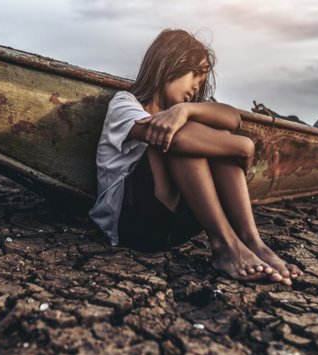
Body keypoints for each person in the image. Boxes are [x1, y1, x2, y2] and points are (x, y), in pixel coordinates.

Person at [89, 29, 302, 284]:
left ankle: (252, 241)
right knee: (183, 138)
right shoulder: (124, 104)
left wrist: (186, 109)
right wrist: (243, 146)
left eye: (201, 81)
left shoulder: (184, 109)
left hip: (178, 225)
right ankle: (225, 245)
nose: (196, 86)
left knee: (213, 130)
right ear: (172, 62)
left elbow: (232, 118)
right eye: (195, 75)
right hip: (133, 223)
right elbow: (175, 140)